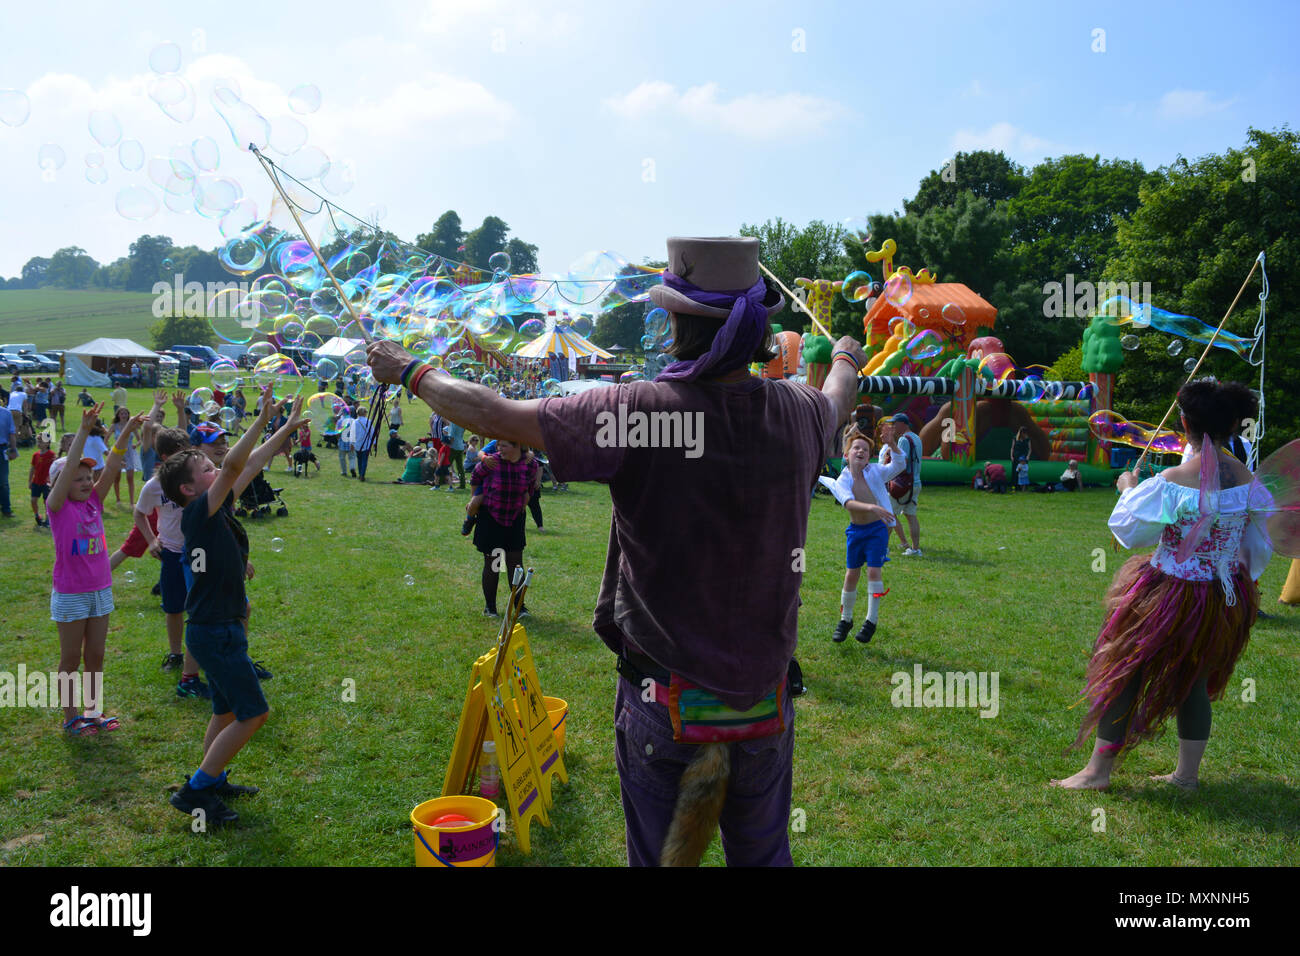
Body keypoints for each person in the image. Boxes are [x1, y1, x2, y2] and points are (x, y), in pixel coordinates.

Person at [368, 235, 859, 866]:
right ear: (758, 327)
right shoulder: (799, 413)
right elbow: (838, 394)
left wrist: (410, 369)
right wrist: (844, 353)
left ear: (677, 322)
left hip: (663, 701)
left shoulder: (640, 412)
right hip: (763, 705)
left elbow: (495, 414)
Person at [1052, 380, 1268, 791]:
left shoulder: (1171, 479)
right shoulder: (1248, 481)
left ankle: (1097, 773)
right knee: (1195, 681)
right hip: (1222, 596)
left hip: (1167, 593)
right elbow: (1258, 544)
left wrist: (1128, 490)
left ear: (1184, 421)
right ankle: (1186, 776)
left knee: (1125, 671)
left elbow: (1130, 533)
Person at [159, 389, 292, 823]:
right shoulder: (197, 512)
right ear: (188, 488)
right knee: (255, 713)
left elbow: (248, 466)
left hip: (219, 627)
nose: (216, 469)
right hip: (215, 631)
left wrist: (283, 428)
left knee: (226, 709)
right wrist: (259, 419)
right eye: (206, 469)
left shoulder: (216, 506)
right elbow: (236, 463)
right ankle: (195, 790)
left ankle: (211, 780)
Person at [47, 402, 147, 735]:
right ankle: (70, 716)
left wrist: (127, 432)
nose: (88, 482)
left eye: (89, 476)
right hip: (72, 594)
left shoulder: (93, 502)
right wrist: (84, 432)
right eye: (78, 478)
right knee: (71, 658)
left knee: (96, 654)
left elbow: (114, 464)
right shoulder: (58, 508)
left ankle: (93, 711)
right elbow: (72, 465)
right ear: (60, 485)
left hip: (100, 590)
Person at [134, 427, 206, 691]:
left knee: (199, 603)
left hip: (198, 551)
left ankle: (200, 652)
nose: (185, 458)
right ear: (164, 456)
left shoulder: (198, 479)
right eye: (178, 454)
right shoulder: (155, 486)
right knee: (174, 606)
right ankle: (176, 653)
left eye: (187, 452)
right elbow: (140, 514)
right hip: (173, 553)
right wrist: (152, 540)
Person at [825, 428, 905, 643]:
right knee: (851, 574)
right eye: (856, 448)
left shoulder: (876, 471)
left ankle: (871, 620)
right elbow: (848, 502)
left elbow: (899, 464)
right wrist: (872, 507)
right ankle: (846, 619)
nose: (860, 451)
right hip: (856, 532)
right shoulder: (842, 479)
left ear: (869, 456)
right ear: (846, 454)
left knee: (873, 571)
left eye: (865, 449)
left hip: (877, 530)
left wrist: (893, 444)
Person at [462, 438, 539, 615]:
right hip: (491, 519)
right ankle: (490, 608)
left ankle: (519, 607)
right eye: (498, 446)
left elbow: (531, 484)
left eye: (504, 446)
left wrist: (526, 498)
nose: (499, 449)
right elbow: (475, 476)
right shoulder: (492, 462)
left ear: (517, 446)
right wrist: (475, 499)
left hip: (514, 520)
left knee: (515, 564)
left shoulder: (529, 464)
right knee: (495, 564)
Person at [880, 412, 923, 556]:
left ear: (903, 424)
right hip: (915, 482)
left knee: (889, 515)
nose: (893, 427)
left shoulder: (903, 440)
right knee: (911, 516)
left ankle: (883, 547)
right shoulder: (917, 438)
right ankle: (915, 549)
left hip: (902, 484)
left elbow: (901, 463)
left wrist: (889, 455)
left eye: (895, 424)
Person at [110, 406, 144, 505]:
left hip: (129, 453)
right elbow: (106, 439)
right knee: (117, 477)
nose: (124, 415)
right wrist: (108, 450)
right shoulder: (114, 426)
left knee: (130, 477)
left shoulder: (131, 425)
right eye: (122, 413)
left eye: (126, 413)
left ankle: (132, 502)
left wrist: (136, 445)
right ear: (118, 415)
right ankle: (118, 499)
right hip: (118, 453)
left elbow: (139, 439)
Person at [28, 434, 55, 528]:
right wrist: (30, 480)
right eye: (37, 441)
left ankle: (48, 519)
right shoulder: (35, 455)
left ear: (47, 443)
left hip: (46, 483)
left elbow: (54, 468)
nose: (38, 443)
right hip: (36, 482)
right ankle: (37, 516)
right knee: (33, 500)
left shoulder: (52, 455)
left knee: (46, 501)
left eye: (41, 441)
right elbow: (32, 468)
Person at [0, 395, 15, 518]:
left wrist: (13, 449)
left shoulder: (6, 413)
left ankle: (6, 508)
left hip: (2, 449)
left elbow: (12, 433)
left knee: (3, 481)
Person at [352, 405, 376, 481]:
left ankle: (360, 473)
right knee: (364, 460)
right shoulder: (368, 421)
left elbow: (352, 433)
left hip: (358, 444)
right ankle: (362, 474)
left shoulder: (355, 422)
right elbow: (373, 432)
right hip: (366, 444)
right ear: (365, 413)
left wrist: (351, 443)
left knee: (359, 459)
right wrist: (374, 442)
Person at [336, 405, 356, 477]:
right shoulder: (353, 421)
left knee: (342, 457)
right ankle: (352, 468)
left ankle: (344, 471)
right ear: (350, 412)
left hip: (342, 441)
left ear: (342, 413)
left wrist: (338, 439)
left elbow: (337, 433)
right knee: (352, 457)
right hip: (351, 441)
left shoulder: (340, 421)